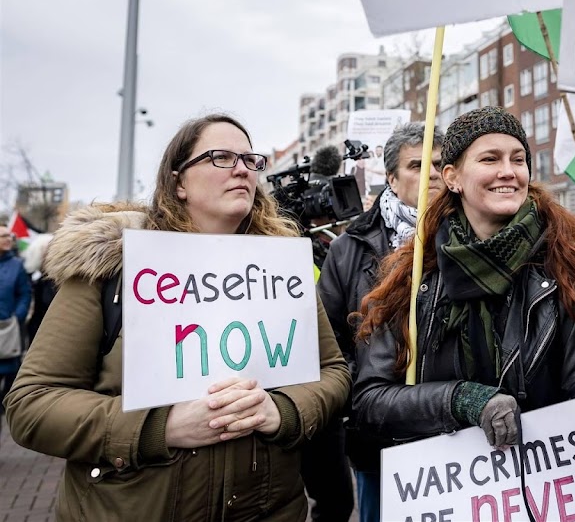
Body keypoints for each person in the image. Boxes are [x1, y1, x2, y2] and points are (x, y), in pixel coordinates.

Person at [4, 114, 351, 521]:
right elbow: (33, 404)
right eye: (220, 157)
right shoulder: (113, 267)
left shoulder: (281, 269)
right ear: (179, 182)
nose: (242, 168)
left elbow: (333, 372)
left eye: (250, 160)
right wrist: (160, 428)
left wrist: (282, 411)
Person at [352, 107, 575, 466]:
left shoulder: (569, 266)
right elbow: (372, 400)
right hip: (449, 487)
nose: (508, 172)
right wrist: (461, 401)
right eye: (490, 159)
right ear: (452, 177)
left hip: (547, 483)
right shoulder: (412, 276)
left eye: (518, 159)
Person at [318, 121, 444, 522]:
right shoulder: (349, 247)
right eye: (416, 166)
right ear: (391, 177)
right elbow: (330, 339)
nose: (432, 174)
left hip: (456, 432)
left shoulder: (474, 234)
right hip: (381, 439)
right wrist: (362, 392)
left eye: (441, 164)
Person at [0, 227, 31, 442]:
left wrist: (17, 317)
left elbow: (25, 293)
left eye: (9, 236)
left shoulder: (16, 265)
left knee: (10, 385)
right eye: (3, 236)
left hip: (8, 334)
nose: (8, 239)